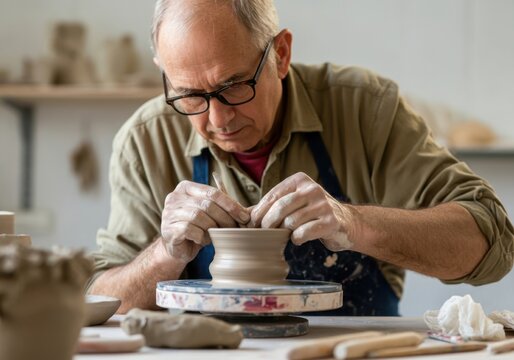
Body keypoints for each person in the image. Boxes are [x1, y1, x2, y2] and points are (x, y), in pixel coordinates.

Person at [87, 0, 514, 316]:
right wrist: (166, 253)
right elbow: (98, 302)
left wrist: (353, 224)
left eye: (234, 86)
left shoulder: (364, 109)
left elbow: (492, 243)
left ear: (281, 54)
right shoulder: (146, 139)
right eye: (190, 95)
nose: (218, 118)